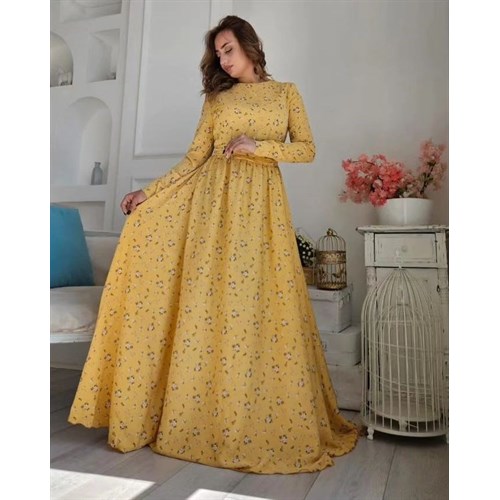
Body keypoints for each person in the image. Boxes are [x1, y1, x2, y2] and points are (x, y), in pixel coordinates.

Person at [68, 15, 358, 474]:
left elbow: (306, 148)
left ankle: (253, 418)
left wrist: (259, 147)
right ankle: (202, 416)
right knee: (211, 306)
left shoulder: (286, 94)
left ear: (250, 45)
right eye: (217, 53)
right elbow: (194, 158)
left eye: (228, 49)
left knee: (258, 306)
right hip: (211, 209)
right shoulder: (216, 99)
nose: (222, 59)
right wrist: (148, 193)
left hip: (261, 211)